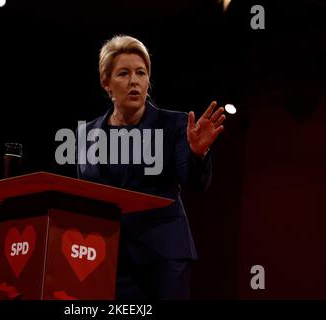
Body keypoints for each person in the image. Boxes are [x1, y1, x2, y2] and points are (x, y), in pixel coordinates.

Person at [76, 35, 226, 299]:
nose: (134, 81)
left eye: (141, 73)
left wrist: (197, 154)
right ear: (106, 83)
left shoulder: (175, 125)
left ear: (148, 80)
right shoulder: (86, 134)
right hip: (107, 258)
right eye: (123, 73)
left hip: (163, 257)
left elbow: (195, 183)